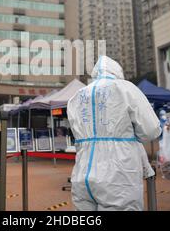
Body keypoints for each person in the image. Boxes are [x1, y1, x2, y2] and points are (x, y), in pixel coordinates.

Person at [67, 56, 162, 211]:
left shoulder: (77, 96)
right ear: (118, 72)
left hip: (82, 173)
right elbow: (151, 131)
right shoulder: (126, 88)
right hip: (118, 175)